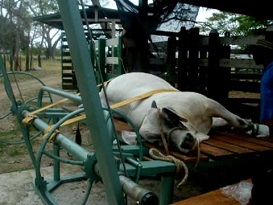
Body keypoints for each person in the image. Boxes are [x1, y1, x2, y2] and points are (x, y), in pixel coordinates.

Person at [251, 39, 273, 125]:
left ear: (265, 53)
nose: (253, 55)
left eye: (256, 52)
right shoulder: (267, 70)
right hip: (266, 122)